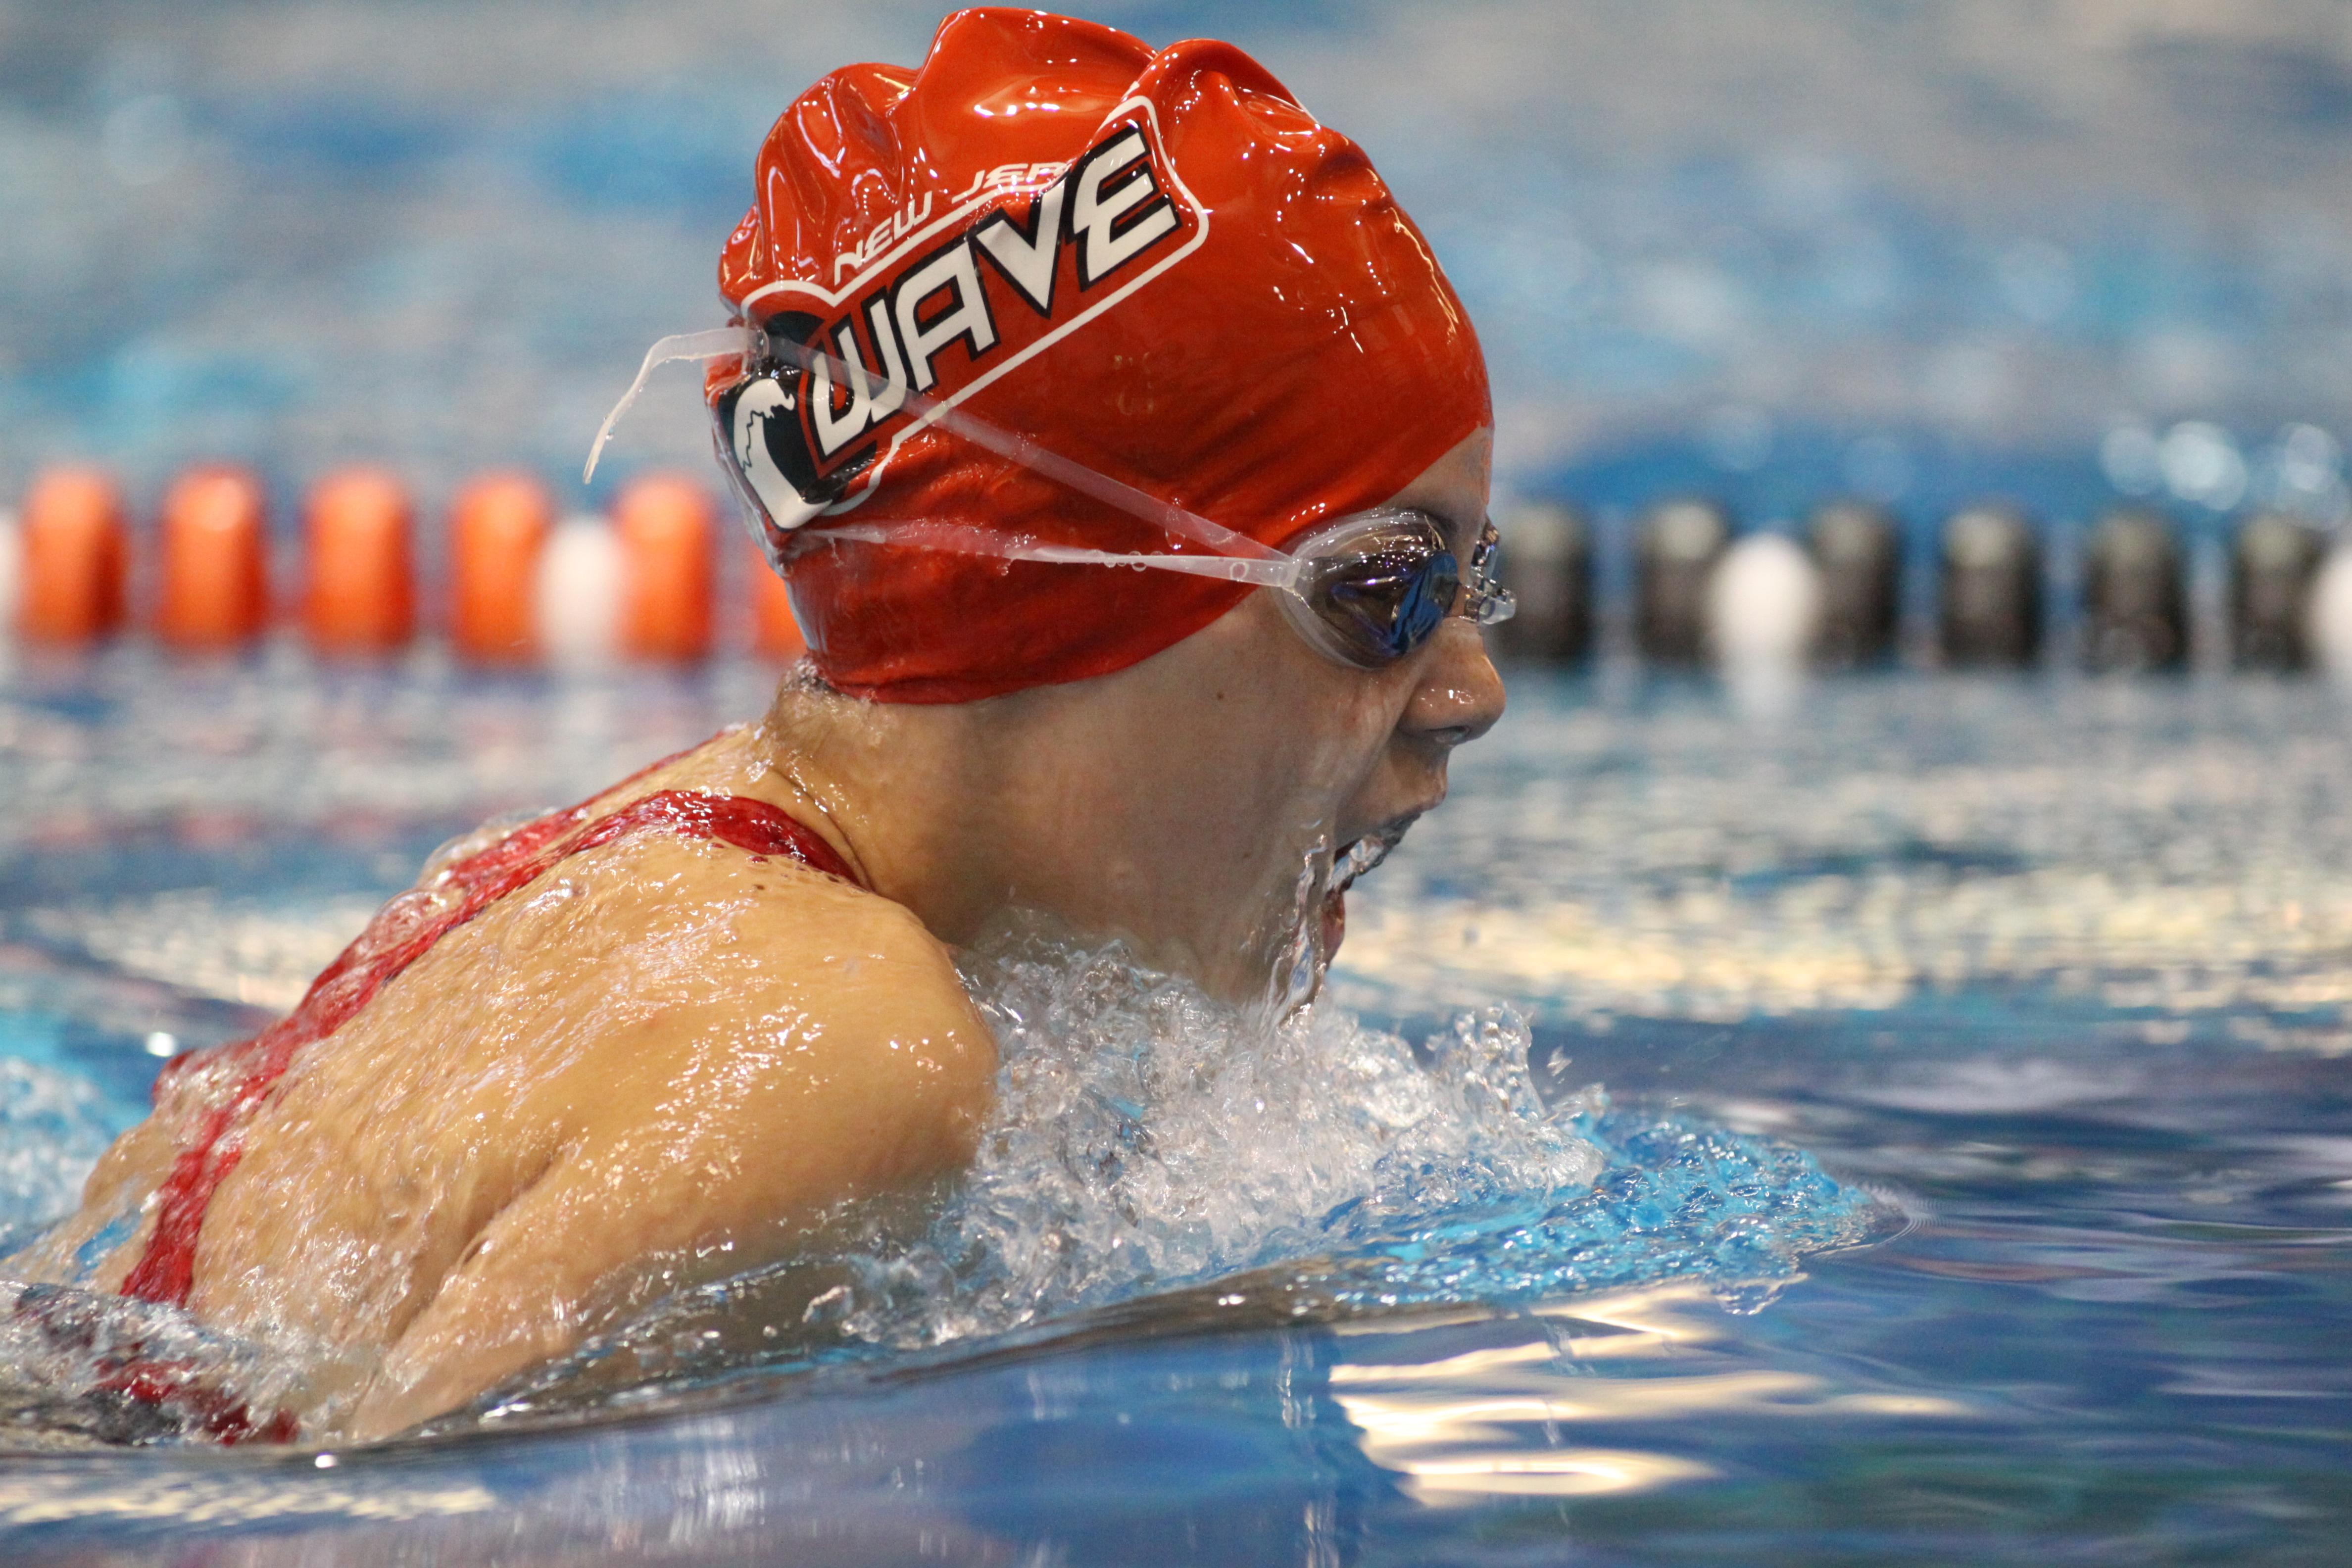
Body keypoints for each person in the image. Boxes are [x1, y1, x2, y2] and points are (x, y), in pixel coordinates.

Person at [7, 7, 1506, 1443]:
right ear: (1066, 596)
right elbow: (372, 1531)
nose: (1468, 692)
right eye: (1383, 590)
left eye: (1475, 583)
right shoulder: (838, 1053)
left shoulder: (682, 858)